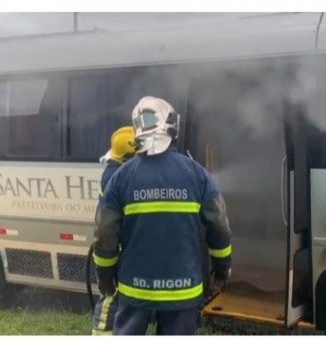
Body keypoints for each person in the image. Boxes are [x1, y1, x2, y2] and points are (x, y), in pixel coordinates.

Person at [93, 96, 233, 335]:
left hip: (134, 289)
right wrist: (222, 266)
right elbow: (218, 224)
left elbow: (104, 232)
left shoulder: (121, 177)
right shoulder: (196, 173)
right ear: (172, 125)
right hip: (183, 290)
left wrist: (105, 274)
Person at [92, 126, 137, 336]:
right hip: (116, 247)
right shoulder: (116, 175)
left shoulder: (116, 171)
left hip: (117, 245)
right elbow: (107, 226)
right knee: (110, 297)